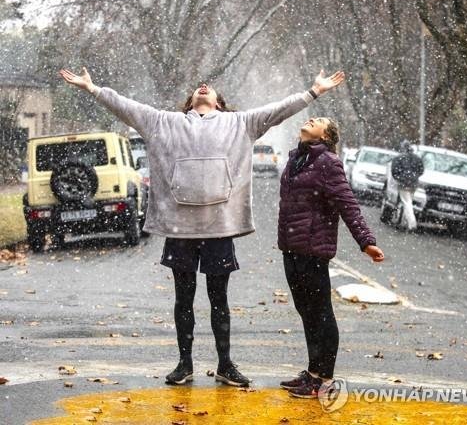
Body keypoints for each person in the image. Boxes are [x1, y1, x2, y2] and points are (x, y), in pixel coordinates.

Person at [59, 67, 346, 387]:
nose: (203, 87)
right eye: (198, 89)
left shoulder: (240, 124)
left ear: (220, 105)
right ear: (190, 103)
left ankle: (226, 364)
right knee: (183, 299)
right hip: (180, 230)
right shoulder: (164, 122)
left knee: (219, 299)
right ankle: (184, 364)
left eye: (209, 90)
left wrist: (313, 92)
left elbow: (279, 110)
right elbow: (125, 106)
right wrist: (92, 88)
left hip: (218, 229)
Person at [277, 117, 384, 398]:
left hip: (313, 250)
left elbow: (347, 203)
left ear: (325, 136)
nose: (312, 119)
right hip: (292, 248)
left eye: (319, 121)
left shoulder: (328, 163)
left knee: (321, 313)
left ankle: (325, 379)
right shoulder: (297, 159)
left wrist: (366, 241)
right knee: (307, 313)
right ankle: (312, 372)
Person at [390, 140, 424, 231]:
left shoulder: (399, 158)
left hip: (403, 183)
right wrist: (414, 177)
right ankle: (404, 223)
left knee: (406, 203)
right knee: (408, 202)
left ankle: (412, 224)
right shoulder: (417, 158)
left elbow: (394, 171)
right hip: (413, 184)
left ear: (403, 148)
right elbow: (421, 170)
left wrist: (400, 178)